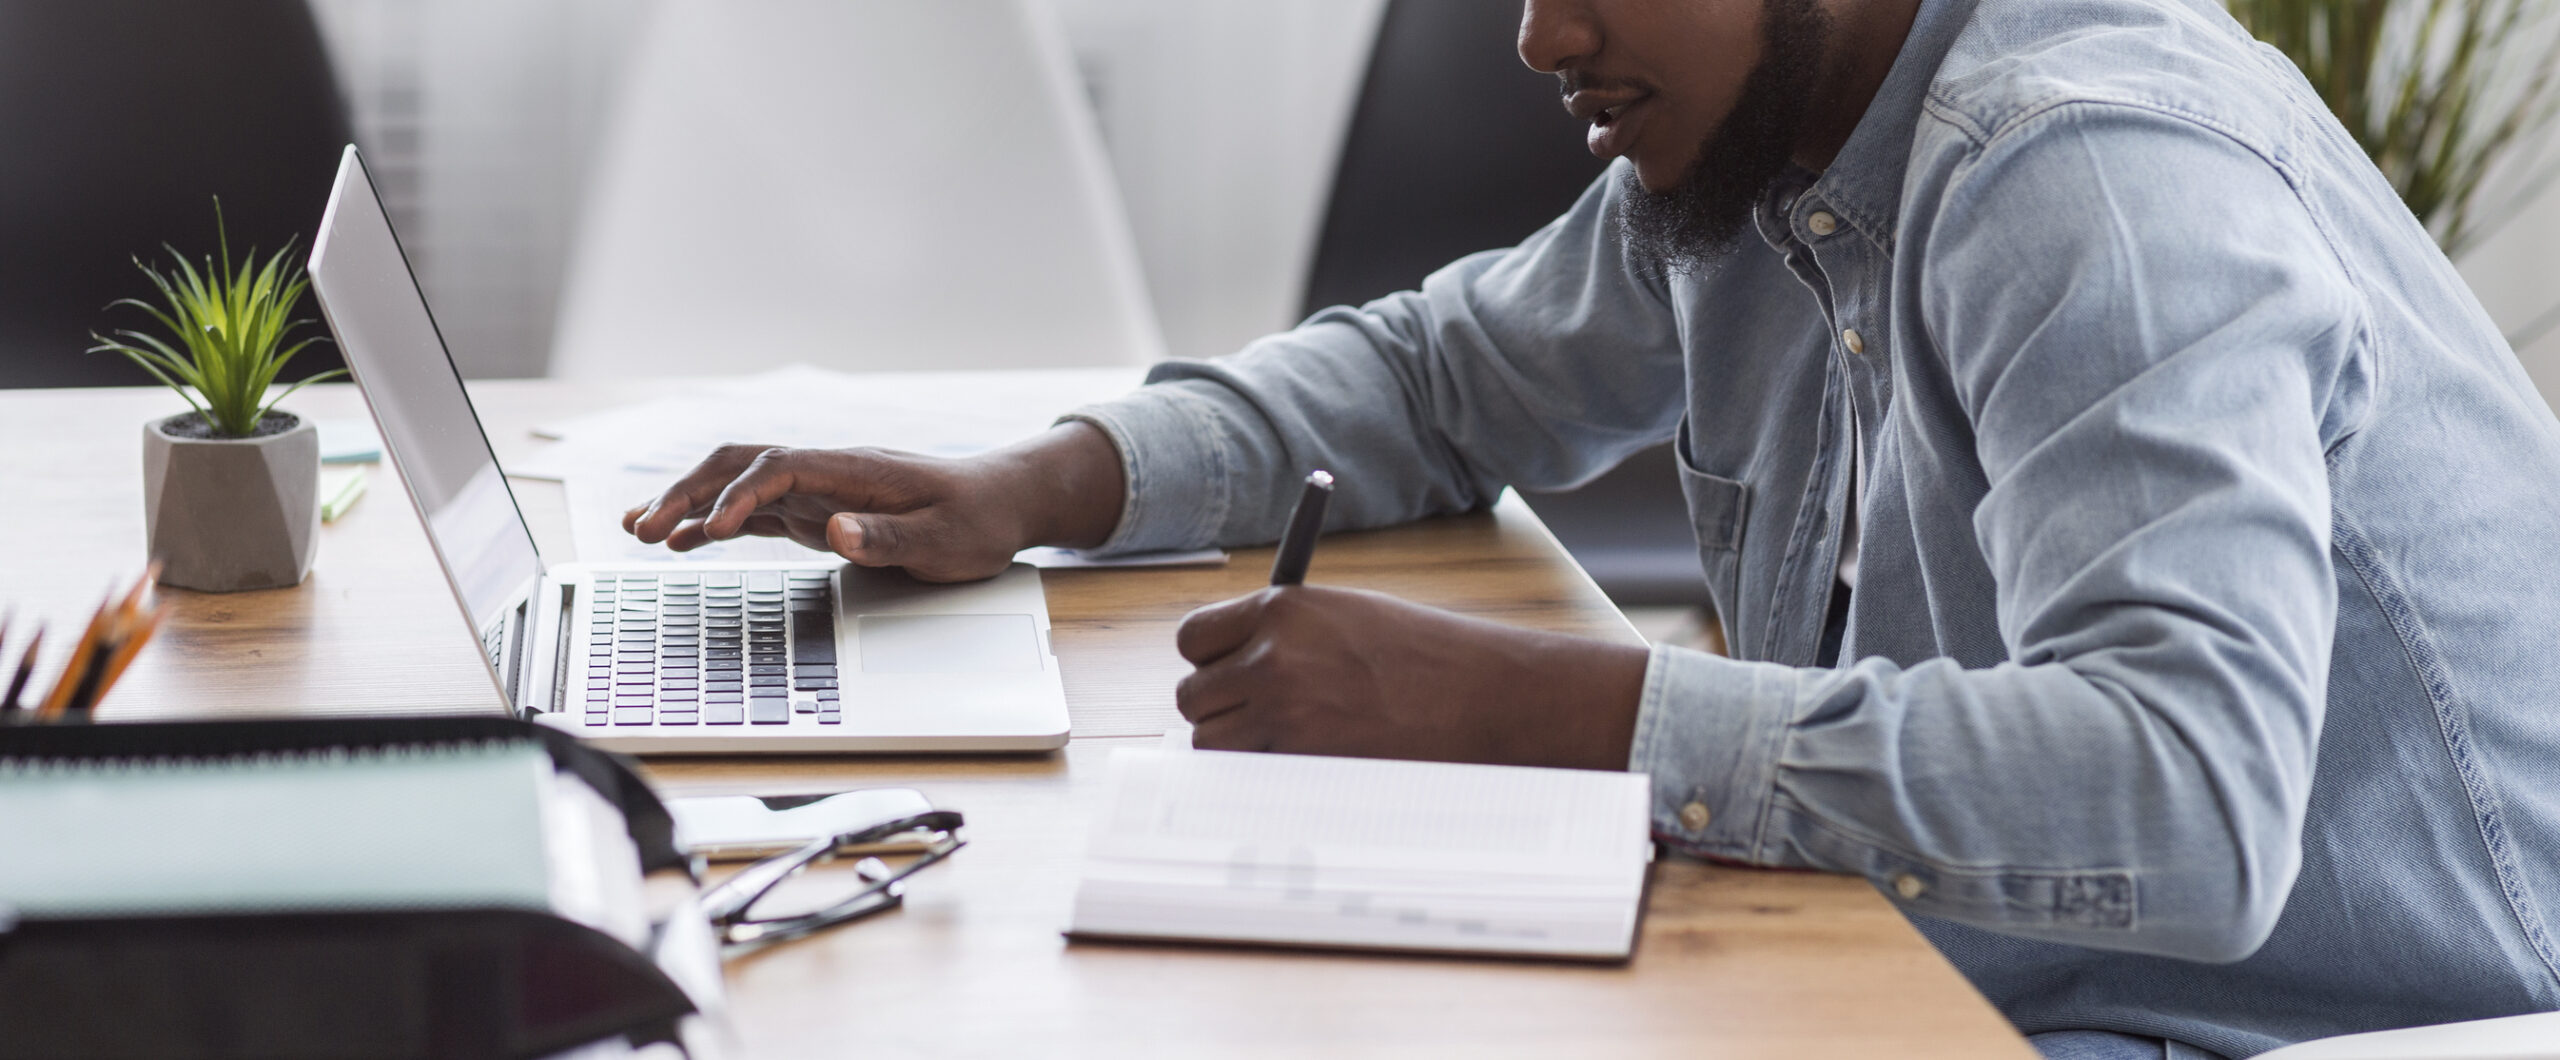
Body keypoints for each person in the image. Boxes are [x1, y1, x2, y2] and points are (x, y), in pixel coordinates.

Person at [624, 0, 2560, 1055]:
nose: (1542, 36)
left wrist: (1544, 702)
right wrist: (1029, 484)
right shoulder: (1771, 154)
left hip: (2330, 1004)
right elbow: (1442, 377)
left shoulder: (2088, 179)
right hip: (1988, 950)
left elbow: (2178, 810)